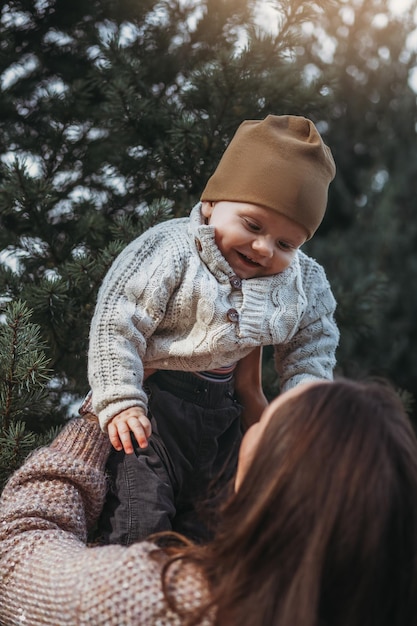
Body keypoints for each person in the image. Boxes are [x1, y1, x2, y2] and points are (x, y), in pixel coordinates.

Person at [85, 114, 339, 544]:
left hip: (224, 421)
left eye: (286, 244)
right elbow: (117, 321)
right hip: (154, 411)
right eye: (253, 226)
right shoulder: (171, 250)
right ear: (211, 204)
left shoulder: (304, 282)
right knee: (141, 523)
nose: (263, 249)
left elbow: (313, 346)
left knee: (213, 535)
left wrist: (300, 412)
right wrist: (122, 399)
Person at [1, 378, 417, 626]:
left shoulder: (171, 603)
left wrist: (104, 410)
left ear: (276, 484)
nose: (249, 426)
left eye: (264, 424)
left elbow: (14, 554)